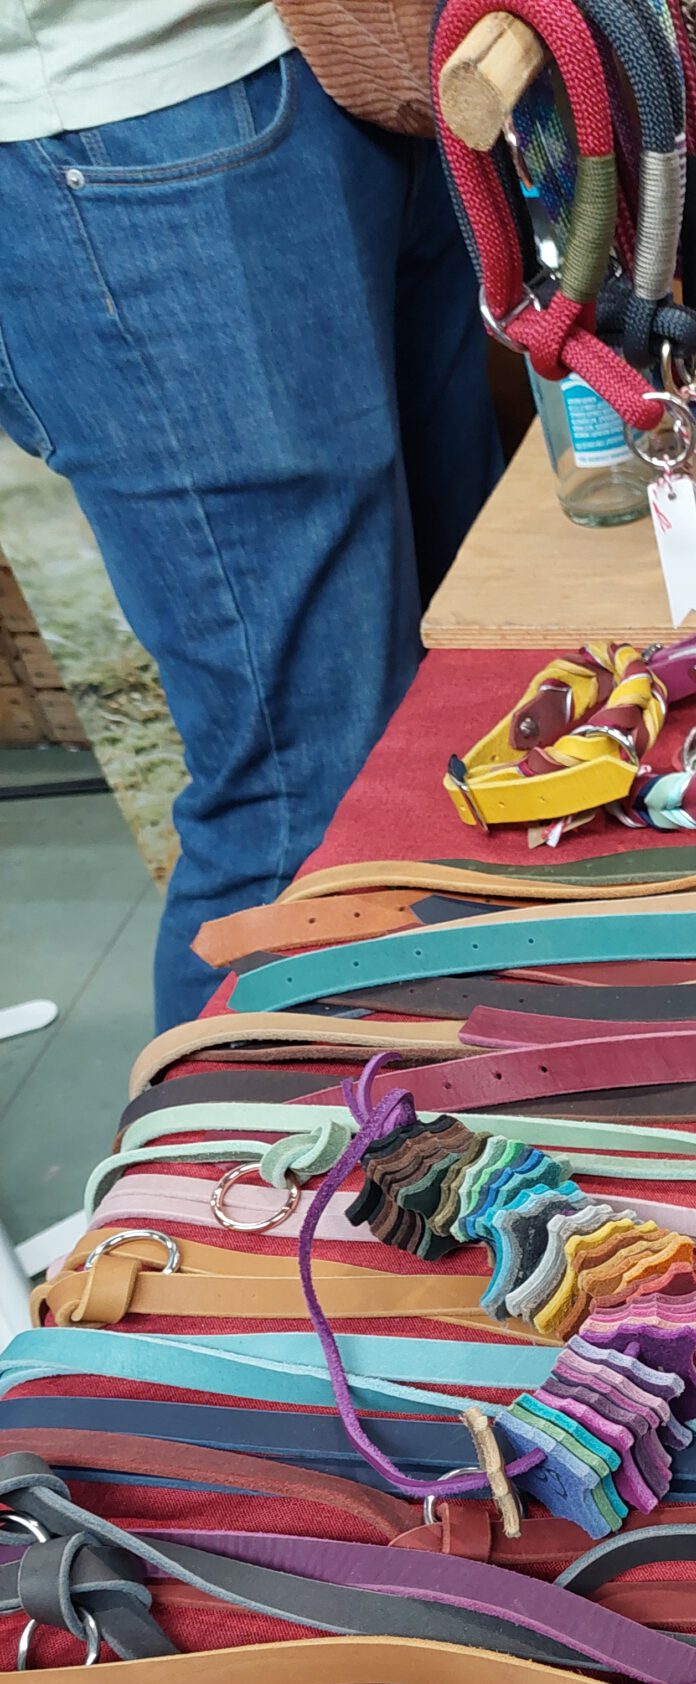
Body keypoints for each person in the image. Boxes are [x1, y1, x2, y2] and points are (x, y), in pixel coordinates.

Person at [0, 0, 499, 1028]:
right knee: (301, 799)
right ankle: (236, 1137)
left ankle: (444, 1080)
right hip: (141, 111)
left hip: (358, 58)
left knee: (467, 685)